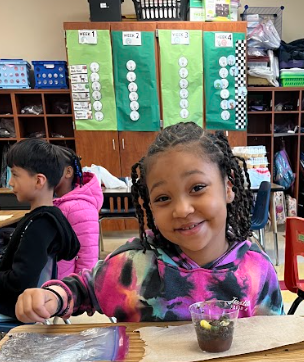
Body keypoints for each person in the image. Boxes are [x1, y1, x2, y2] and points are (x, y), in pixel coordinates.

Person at [15, 122, 283, 323]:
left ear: (227, 188)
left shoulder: (257, 270)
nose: (182, 209)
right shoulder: (132, 264)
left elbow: (277, 343)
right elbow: (85, 287)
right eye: (163, 197)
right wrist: (51, 298)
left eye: (197, 187)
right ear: (150, 205)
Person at [0, 139, 79, 318]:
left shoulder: (39, 226)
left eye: (15, 175)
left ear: (38, 181)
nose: (10, 182)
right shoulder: (49, 218)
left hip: (17, 310)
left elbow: (19, 283)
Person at [53, 147, 103, 279]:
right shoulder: (62, 203)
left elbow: (87, 258)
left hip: (68, 288)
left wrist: (78, 292)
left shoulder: (80, 208)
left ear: (68, 172)